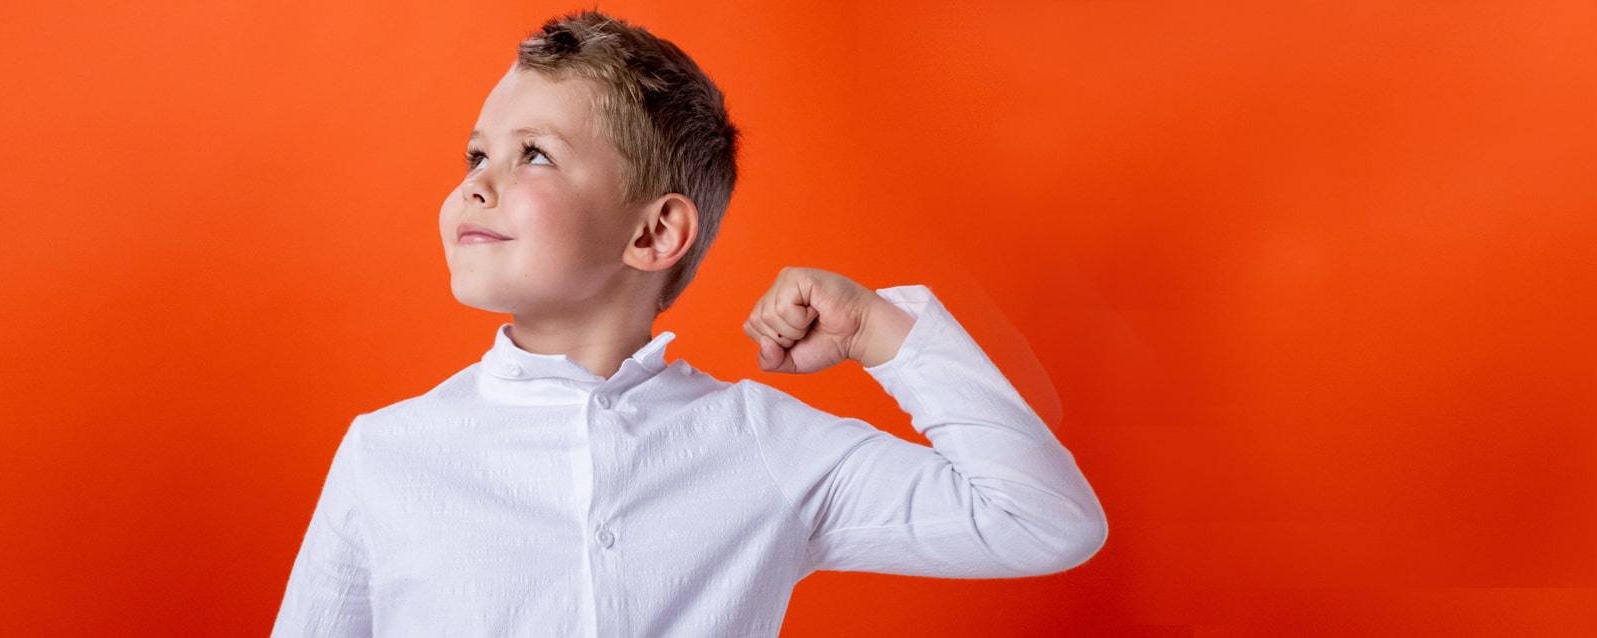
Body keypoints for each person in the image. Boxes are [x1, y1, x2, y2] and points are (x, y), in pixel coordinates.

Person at [271, 9, 1106, 637]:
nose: (477, 185)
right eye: (476, 154)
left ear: (653, 233)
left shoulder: (763, 445)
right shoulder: (388, 455)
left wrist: (881, 329)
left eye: (533, 154)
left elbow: (1043, 523)